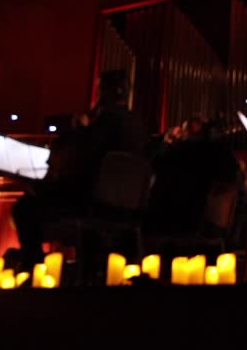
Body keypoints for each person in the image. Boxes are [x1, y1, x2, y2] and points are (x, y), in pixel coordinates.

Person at [11, 70, 148, 267]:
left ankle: (33, 267)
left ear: (107, 92)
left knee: (25, 207)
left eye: (100, 90)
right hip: (129, 206)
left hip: (92, 201)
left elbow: (83, 157)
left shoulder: (107, 121)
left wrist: (79, 128)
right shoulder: (138, 126)